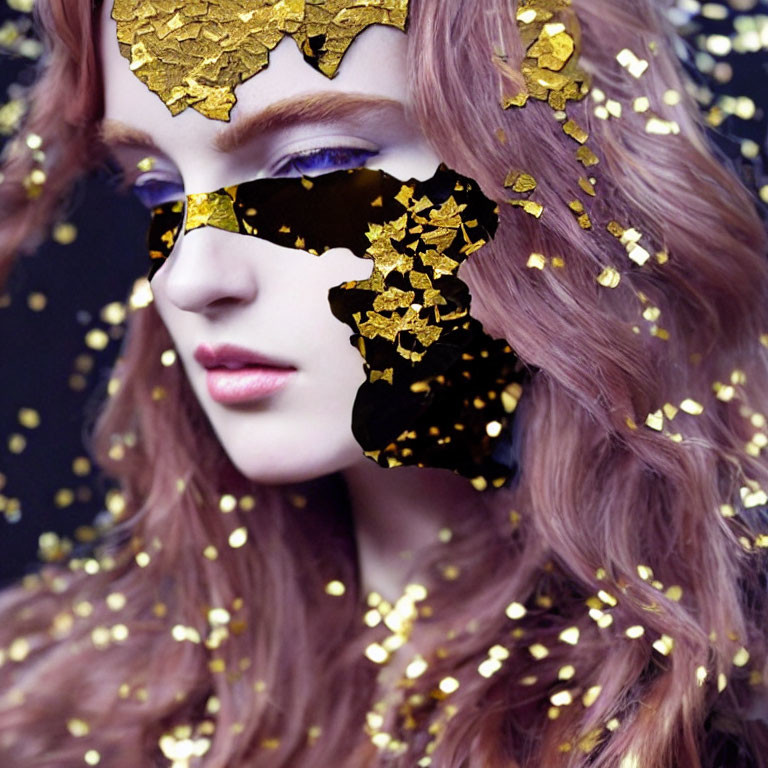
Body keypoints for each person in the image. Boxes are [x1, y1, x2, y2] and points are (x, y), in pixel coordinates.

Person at [0, 0, 767, 766]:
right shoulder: (60, 694)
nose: (190, 276)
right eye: (157, 190)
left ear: (549, 185)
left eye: (313, 166)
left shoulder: (715, 714)